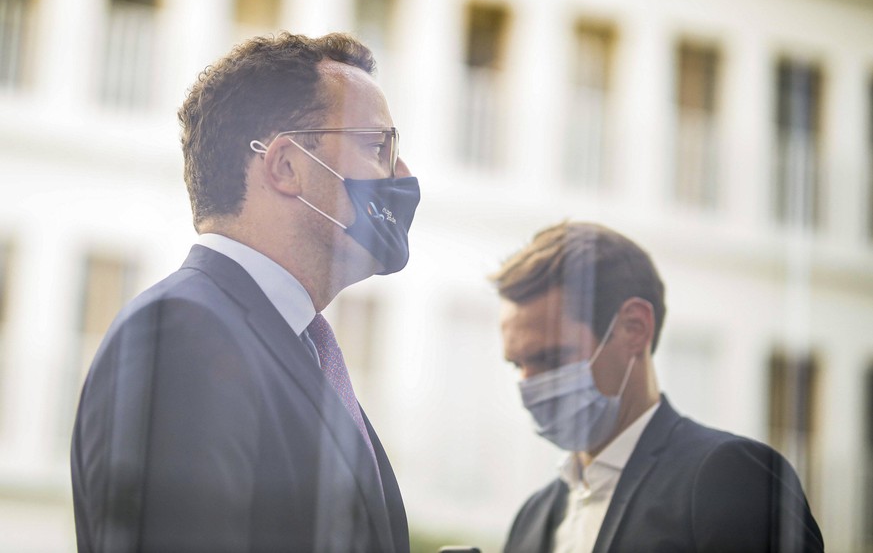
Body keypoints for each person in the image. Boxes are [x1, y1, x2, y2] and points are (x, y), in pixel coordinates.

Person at [70, 32, 419, 552]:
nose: (403, 175)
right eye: (377, 147)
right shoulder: (183, 334)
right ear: (285, 165)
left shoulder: (295, 343)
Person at [491, 221, 823, 553]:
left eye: (552, 357)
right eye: (518, 364)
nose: (528, 386)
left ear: (634, 327)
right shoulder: (531, 520)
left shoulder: (729, 479)